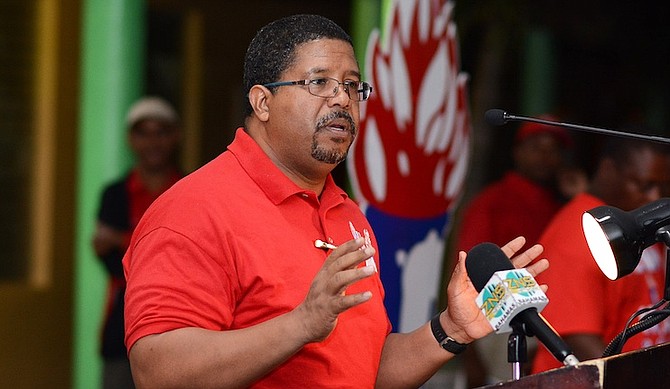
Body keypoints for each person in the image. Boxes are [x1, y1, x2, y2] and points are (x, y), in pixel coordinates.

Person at [122, 14, 549, 388]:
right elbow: (158, 371)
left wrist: (451, 328)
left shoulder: (345, 213)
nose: (342, 99)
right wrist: (301, 324)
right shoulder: (194, 209)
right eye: (318, 82)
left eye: (351, 85)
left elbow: (364, 370)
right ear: (262, 101)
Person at [454, 119, 584, 387]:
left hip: (559, 316)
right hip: (504, 321)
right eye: (537, 148)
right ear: (518, 152)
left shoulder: (562, 201)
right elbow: (465, 274)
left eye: (553, 150)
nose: (546, 157)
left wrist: (578, 197)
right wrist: (470, 354)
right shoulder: (491, 202)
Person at [531, 136, 670, 374]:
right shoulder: (578, 232)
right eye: (644, 185)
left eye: (664, 188)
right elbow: (578, 337)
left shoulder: (639, 223)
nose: (654, 197)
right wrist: (630, 380)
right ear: (608, 170)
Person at [92, 96, 183, 389]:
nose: (153, 142)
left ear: (175, 136)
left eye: (161, 132)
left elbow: (193, 252)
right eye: (144, 133)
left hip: (181, 317)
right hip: (121, 319)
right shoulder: (115, 193)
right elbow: (103, 254)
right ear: (131, 139)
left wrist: (121, 239)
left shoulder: (190, 188)